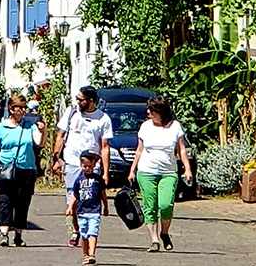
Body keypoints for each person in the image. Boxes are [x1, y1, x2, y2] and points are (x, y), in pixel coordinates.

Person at [128, 95, 193, 253]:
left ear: (161, 112)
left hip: (168, 172)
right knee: (150, 207)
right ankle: (154, 240)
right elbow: (139, 150)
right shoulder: (145, 127)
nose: (148, 112)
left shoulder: (175, 127)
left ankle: (164, 233)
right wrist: (132, 170)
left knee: (165, 205)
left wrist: (187, 168)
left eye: (152, 110)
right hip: (146, 171)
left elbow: (181, 149)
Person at [53, 86, 113, 247]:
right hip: (72, 163)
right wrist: (56, 159)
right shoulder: (71, 112)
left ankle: (89, 230)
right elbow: (60, 136)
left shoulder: (103, 119)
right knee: (72, 200)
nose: (78, 102)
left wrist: (105, 172)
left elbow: (105, 146)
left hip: (93, 165)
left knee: (90, 199)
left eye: (81, 99)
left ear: (91, 101)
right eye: (77, 99)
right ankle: (75, 230)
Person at [0, 93, 45, 247]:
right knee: (5, 200)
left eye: (24, 108)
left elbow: (39, 142)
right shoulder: (1, 128)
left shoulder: (29, 126)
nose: (22, 111)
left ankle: (18, 234)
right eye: (20, 108)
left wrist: (43, 131)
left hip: (26, 169)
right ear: (11, 109)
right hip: (6, 169)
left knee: (22, 202)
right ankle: (4, 234)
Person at [68, 149, 108, 265]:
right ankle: (85, 254)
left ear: (94, 165)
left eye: (89, 166)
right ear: (81, 165)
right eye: (85, 166)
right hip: (82, 211)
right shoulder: (79, 180)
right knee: (84, 235)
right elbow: (75, 195)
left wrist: (105, 206)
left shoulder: (98, 180)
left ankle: (92, 254)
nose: (87, 168)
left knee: (93, 233)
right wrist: (70, 207)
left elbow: (103, 194)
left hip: (94, 211)